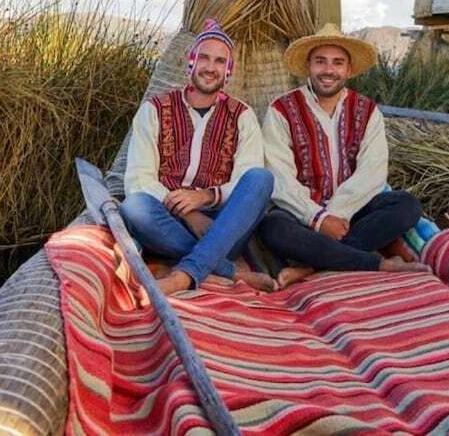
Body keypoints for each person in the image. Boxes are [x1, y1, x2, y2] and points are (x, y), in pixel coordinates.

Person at [258, 23, 430, 287]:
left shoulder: (367, 111)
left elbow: (372, 172)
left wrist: (337, 214)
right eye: (320, 61)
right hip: (301, 213)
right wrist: (318, 218)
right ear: (308, 66)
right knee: (273, 227)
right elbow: (279, 177)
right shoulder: (281, 110)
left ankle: (311, 267)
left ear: (348, 70)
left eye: (337, 63)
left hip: (351, 213)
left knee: (407, 206)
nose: (329, 70)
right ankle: (377, 264)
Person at [120, 19, 275, 295]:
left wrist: (206, 197)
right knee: (135, 206)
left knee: (261, 178)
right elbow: (138, 178)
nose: (210, 67)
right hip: (170, 220)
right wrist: (189, 213)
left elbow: (245, 179)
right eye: (204, 57)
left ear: (227, 71)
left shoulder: (242, 115)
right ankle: (228, 271)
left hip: (224, 223)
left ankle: (183, 276)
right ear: (191, 62)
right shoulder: (154, 110)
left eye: (219, 61)